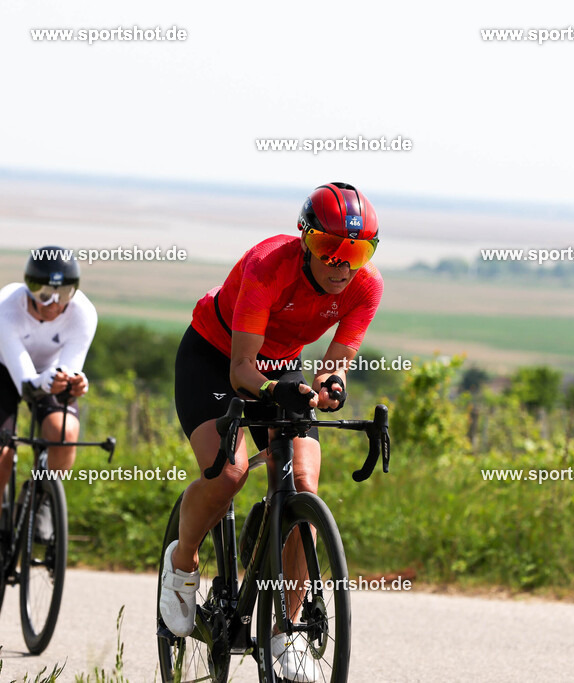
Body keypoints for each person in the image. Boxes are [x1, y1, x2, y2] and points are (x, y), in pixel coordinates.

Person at [160, 182, 383, 681]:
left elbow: (336, 366)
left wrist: (329, 387)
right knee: (230, 472)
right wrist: (272, 392)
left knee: (304, 484)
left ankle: (288, 627)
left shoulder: (366, 287)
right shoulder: (268, 264)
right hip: (216, 359)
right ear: (306, 239)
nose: (341, 265)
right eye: (330, 248)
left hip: (280, 366)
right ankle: (182, 564)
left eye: (357, 252)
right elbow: (242, 370)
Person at [0, 247, 97, 619]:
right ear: (28, 289)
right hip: (1, 369)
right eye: (43, 294)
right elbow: (24, 379)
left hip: (49, 374)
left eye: (63, 294)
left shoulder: (84, 313)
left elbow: (69, 372)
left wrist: (74, 382)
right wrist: (46, 381)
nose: (53, 303)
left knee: (64, 432)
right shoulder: (6, 305)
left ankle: (39, 502)